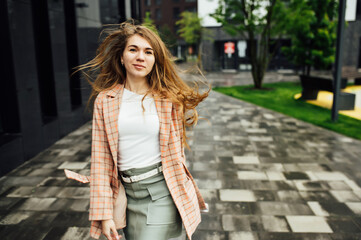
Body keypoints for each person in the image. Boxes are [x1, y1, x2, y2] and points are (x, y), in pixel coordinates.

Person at [64, 21, 209, 240]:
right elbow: (101, 161)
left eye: (148, 52)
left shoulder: (167, 100)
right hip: (125, 195)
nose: (140, 56)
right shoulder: (106, 100)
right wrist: (104, 214)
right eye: (133, 49)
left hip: (161, 192)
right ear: (122, 57)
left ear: (154, 61)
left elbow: (177, 154)